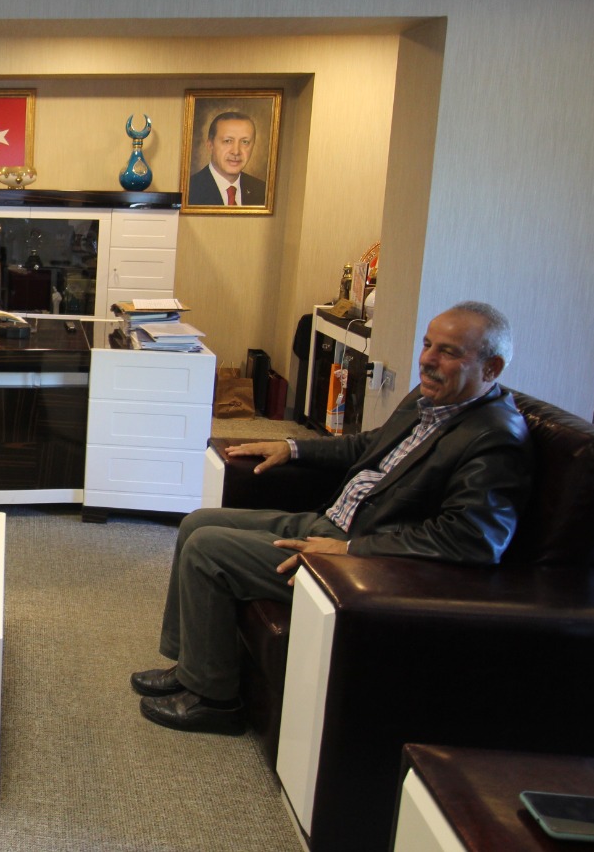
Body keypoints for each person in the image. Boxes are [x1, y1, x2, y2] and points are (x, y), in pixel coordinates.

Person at [133, 302, 531, 733]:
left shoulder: (495, 439)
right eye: (428, 344)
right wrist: (292, 446)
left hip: (360, 556)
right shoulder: (430, 399)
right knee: (197, 522)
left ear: (492, 367)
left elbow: (473, 539)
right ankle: (190, 665)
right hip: (332, 522)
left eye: (448, 352)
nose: (428, 360)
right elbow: (370, 445)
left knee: (208, 549)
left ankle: (213, 701)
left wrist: (351, 549)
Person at [187, 111, 267, 206]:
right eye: (228, 141)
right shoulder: (189, 190)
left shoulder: (263, 191)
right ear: (210, 145)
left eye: (245, 142)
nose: (236, 151)